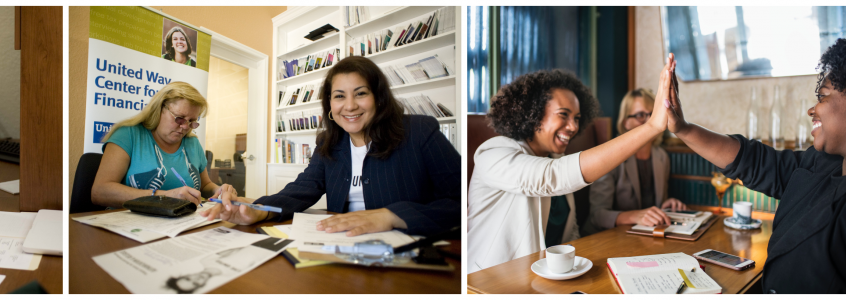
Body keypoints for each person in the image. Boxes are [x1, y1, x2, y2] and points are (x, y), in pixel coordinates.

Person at [662, 38, 846, 293]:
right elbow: (755, 161)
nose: (812, 109)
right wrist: (682, 128)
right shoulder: (821, 165)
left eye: (823, 96)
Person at [199, 56, 461, 238]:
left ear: (379, 99)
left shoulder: (419, 132)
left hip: (403, 245)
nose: (349, 106)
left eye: (361, 93)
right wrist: (258, 211)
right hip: (339, 241)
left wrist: (392, 215)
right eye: (339, 96)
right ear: (330, 106)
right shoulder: (328, 143)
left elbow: (461, 202)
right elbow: (300, 191)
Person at [466, 55, 678, 273]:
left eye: (577, 118)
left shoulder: (555, 159)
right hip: (489, 281)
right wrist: (651, 126)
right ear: (533, 113)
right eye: (563, 115)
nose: (573, 126)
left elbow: (570, 234)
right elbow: (551, 177)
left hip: (548, 278)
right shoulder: (493, 153)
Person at [92, 81, 237, 207]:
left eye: (192, 121)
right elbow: (100, 192)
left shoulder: (192, 143)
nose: (185, 127)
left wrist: (218, 191)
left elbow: (205, 185)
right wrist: (163, 197)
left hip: (181, 224)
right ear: (159, 109)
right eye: (180, 118)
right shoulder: (128, 135)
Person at [581, 88, 688, 236]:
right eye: (640, 115)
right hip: (607, 238)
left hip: (643, 237)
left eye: (653, 114)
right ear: (626, 122)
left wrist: (666, 206)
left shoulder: (661, 156)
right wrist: (634, 216)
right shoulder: (610, 156)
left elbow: (652, 207)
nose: (650, 120)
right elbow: (597, 216)